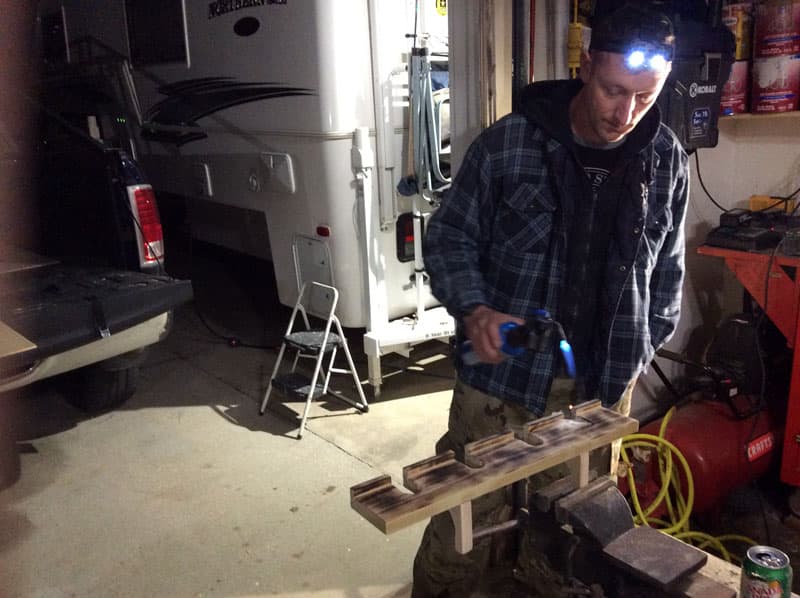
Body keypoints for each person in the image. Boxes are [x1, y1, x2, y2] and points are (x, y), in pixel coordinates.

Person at [413, 3, 689, 597]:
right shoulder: (508, 145)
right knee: (466, 529)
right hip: (503, 379)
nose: (627, 112)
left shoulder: (664, 156)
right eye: (614, 90)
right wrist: (476, 308)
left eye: (646, 96)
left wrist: (644, 343)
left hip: (598, 384)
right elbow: (449, 237)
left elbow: (668, 268)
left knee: (573, 531)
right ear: (586, 65)